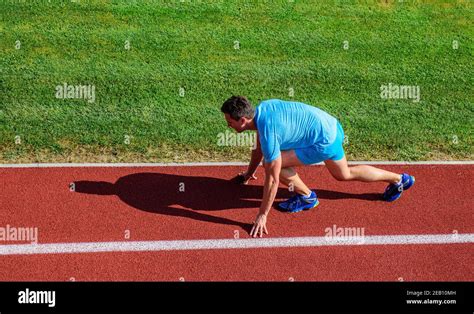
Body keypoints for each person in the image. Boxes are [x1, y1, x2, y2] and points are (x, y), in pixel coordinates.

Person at [221, 96, 415, 238]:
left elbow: (272, 178)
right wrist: (248, 174)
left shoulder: (268, 130)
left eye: (230, 122)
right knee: (344, 174)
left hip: (322, 142)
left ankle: (307, 197)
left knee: (274, 166)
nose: (228, 125)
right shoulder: (262, 110)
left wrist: (262, 215)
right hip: (331, 126)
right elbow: (259, 145)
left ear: (243, 120)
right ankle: (399, 179)